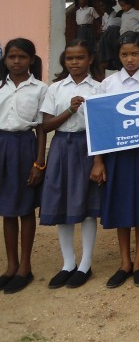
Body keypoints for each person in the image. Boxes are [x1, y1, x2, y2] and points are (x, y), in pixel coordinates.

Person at [91, 33, 139, 289]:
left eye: (135, 54)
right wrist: (98, 161)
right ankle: (124, 262)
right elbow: (99, 125)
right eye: (124, 54)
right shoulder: (108, 84)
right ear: (117, 56)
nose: (130, 59)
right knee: (120, 207)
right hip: (115, 155)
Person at [40, 40, 102, 290]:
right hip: (61, 147)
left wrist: (99, 160)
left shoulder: (99, 88)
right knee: (62, 203)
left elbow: (102, 127)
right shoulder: (54, 89)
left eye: (80, 57)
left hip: (87, 146)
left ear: (90, 60)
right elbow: (45, 126)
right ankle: (68, 263)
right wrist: (69, 110)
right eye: (69, 58)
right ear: (64, 62)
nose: (75, 62)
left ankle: (85, 264)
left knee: (87, 206)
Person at [0, 39, 47, 294]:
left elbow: (41, 128)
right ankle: (11, 266)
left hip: (24, 147)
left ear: (31, 59)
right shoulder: (0, 86)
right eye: (11, 57)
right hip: (1, 145)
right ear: (5, 59)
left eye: (21, 57)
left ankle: (25, 267)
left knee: (25, 208)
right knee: (7, 209)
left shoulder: (40, 88)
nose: (16, 61)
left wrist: (39, 163)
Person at [97, 0, 121, 72]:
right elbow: (102, 28)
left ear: (109, 5)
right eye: (100, 6)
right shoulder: (104, 16)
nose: (102, 8)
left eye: (104, 6)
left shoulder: (117, 15)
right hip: (105, 36)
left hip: (114, 36)